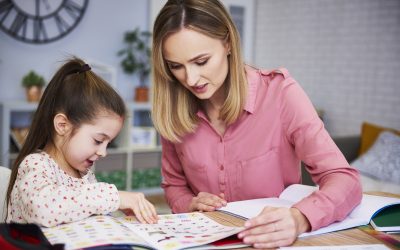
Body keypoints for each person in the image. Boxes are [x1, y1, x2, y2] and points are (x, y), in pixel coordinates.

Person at [151, 0, 362, 248]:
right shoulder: (173, 109)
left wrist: (300, 218)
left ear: (228, 43)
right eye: (176, 66)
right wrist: (189, 203)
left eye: (201, 61)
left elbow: (344, 179)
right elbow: (174, 185)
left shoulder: (280, 94)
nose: (190, 78)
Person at [6, 58, 158, 227]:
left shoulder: (84, 174)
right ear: (62, 125)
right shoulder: (35, 165)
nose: (103, 152)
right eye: (98, 140)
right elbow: (42, 210)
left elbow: (87, 212)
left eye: (108, 143)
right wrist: (114, 197)